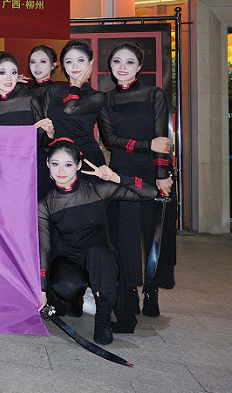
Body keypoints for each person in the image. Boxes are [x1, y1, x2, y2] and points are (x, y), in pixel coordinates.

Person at [39, 139, 166, 345]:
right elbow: (44, 249)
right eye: (55, 164)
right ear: (48, 165)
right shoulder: (46, 204)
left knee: (98, 253)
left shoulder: (96, 189)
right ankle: (76, 300)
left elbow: (150, 193)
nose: (61, 170)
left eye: (68, 164)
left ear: (79, 165)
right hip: (70, 260)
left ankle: (103, 320)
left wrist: (115, 177)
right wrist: (42, 290)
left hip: (102, 258)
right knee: (65, 285)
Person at [97, 42, 175, 331]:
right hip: (122, 175)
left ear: (139, 66)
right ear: (110, 65)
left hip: (154, 173)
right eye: (117, 61)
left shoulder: (154, 94)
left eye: (129, 62)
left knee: (155, 235)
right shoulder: (105, 100)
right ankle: (128, 295)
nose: (122, 67)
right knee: (125, 238)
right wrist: (145, 145)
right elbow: (110, 140)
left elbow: (161, 138)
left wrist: (162, 172)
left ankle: (152, 292)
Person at [0, 52, 53, 197]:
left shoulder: (30, 102)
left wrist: (50, 133)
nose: (9, 78)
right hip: (3, 174)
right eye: (2, 72)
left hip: (33, 171)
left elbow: (44, 142)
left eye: (13, 72)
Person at [41, 40, 107, 166]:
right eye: (69, 61)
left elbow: (69, 109)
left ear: (91, 63)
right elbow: (45, 129)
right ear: (63, 65)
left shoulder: (97, 96)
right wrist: (50, 135)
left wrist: (77, 84)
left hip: (87, 158)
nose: (75, 66)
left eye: (80, 60)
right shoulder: (53, 90)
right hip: (58, 158)